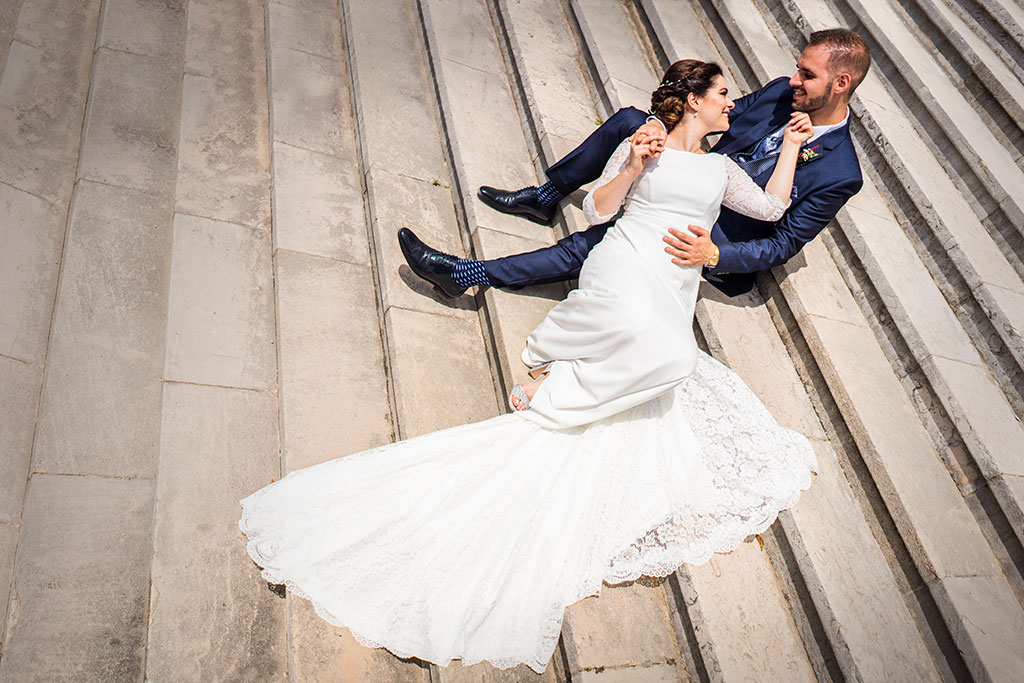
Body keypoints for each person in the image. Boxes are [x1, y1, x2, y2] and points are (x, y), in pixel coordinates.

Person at [239, 59, 817, 674]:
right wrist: (632, 166)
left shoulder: (723, 168)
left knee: (673, 359)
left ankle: (558, 378)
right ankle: (550, 387)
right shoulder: (644, 140)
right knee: (672, 356)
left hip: (674, 278)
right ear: (694, 100)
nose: (733, 104)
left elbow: (774, 210)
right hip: (626, 259)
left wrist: (788, 153)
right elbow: (598, 210)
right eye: (723, 94)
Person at [398, 28, 869, 299]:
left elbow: (782, 242)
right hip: (698, 171)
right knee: (630, 121)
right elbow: (722, 115)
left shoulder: (840, 173)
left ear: (841, 82)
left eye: (807, 74)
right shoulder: (782, 92)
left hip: (722, 226)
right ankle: (546, 196)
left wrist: (715, 256)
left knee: (609, 236)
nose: (793, 78)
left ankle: (466, 275)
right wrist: (662, 127)